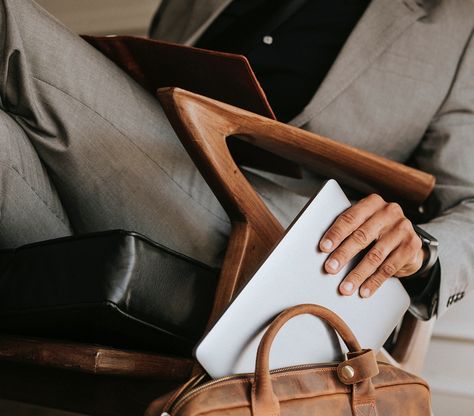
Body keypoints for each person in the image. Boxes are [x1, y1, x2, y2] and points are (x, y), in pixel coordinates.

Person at [1, 0, 473, 321]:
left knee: (11, 21)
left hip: (281, 241)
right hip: (135, 178)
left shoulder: (460, 22)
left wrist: (423, 252)